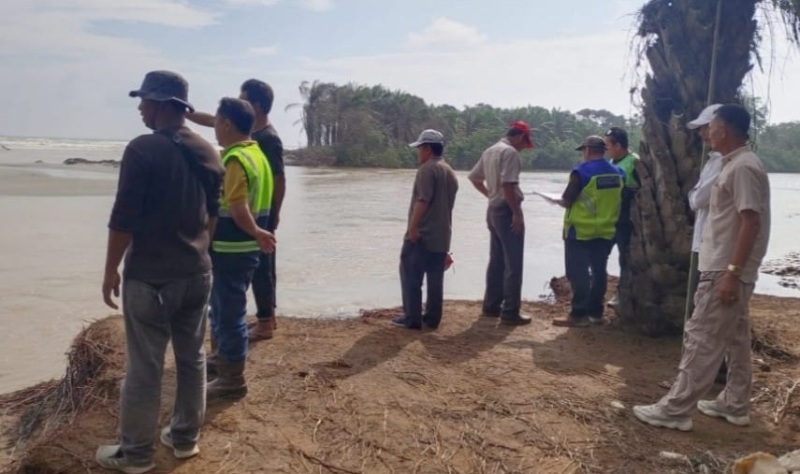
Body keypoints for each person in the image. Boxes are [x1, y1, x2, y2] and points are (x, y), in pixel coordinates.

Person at [97, 70, 224, 472]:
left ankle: (135, 455)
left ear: (161, 105)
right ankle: (185, 439)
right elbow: (212, 215)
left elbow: (123, 219)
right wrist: (199, 251)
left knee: (144, 368)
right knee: (192, 359)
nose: (139, 108)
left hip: (150, 277)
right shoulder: (208, 150)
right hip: (197, 273)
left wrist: (110, 271)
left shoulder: (142, 149)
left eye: (144, 100)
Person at [633, 104, 771, 431]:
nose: (706, 133)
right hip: (724, 268)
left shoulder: (743, 168)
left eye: (713, 126)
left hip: (724, 270)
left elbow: (751, 222)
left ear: (727, 128)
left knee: (702, 338)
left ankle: (675, 409)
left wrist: (732, 272)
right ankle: (734, 404)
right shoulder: (731, 164)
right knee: (735, 338)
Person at [188, 79, 285, 341]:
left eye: (241, 97)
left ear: (254, 105)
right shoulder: (251, 138)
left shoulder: (266, 141)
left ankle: (265, 320)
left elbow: (278, 179)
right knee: (241, 286)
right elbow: (215, 120)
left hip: (251, 224)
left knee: (256, 277)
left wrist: (271, 216)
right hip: (253, 222)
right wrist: (190, 114)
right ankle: (258, 325)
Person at [207, 98, 276, 400]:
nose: (215, 130)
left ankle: (232, 378)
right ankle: (222, 360)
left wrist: (256, 231)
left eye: (217, 123)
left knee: (229, 313)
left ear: (227, 124)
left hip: (231, 246)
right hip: (245, 248)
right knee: (222, 307)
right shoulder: (256, 153)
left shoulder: (235, 159)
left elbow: (237, 208)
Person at [552, 136, 624, 327]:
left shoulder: (581, 173)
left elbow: (567, 200)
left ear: (588, 150)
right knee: (599, 272)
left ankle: (578, 314)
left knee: (578, 273)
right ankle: (596, 313)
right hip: (606, 231)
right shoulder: (618, 172)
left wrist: (558, 201)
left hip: (580, 230)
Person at [468, 121, 534, 326]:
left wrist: (491, 196)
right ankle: (510, 311)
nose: (523, 148)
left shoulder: (490, 151)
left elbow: (475, 178)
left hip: (492, 210)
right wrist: (516, 214)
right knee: (513, 262)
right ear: (520, 137)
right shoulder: (510, 153)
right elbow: (508, 185)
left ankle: (491, 306)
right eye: (525, 144)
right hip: (506, 211)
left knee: (496, 260)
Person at [392, 130, 459, 330]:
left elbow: (423, 200)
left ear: (428, 148)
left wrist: (412, 228)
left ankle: (412, 318)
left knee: (410, 275)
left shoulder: (426, 170)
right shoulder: (449, 171)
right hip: (441, 235)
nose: (418, 152)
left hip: (423, 234)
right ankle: (432, 318)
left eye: (420, 148)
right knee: (435, 279)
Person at [603, 127, 639, 308]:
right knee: (602, 254)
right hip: (609, 218)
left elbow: (643, 189)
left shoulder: (634, 162)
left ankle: (621, 294)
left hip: (626, 220)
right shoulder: (611, 162)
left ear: (618, 145)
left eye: (607, 145)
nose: (605, 148)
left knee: (625, 258)